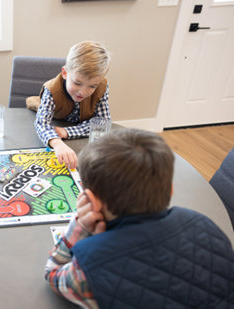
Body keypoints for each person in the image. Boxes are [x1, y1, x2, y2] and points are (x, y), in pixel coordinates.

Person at [45, 129, 234, 308]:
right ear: (170, 190)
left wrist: (81, 225)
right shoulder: (205, 224)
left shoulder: (86, 273)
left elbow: (53, 273)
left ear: (91, 202)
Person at [32, 40, 111, 169]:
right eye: (77, 83)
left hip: (78, 139)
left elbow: (103, 123)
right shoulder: (51, 90)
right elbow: (42, 123)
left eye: (92, 86)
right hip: (57, 119)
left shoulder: (101, 88)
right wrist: (57, 143)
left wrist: (68, 132)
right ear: (65, 73)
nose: (83, 92)